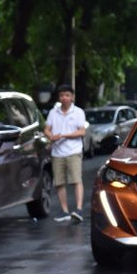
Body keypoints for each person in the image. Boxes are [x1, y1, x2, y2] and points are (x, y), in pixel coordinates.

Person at [45, 85, 86, 223]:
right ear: (59, 97)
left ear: (72, 97)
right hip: (57, 152)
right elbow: (47, 129)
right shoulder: (53, 112)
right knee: (60, 182)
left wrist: (62, 135)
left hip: (73, 151)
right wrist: (51, 136)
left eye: (67, 95)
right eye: (62, 95)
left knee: (76, 180)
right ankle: (65, 211)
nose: (64, 98)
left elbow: (82, 132)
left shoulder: (78, 112)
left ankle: (79, 209)